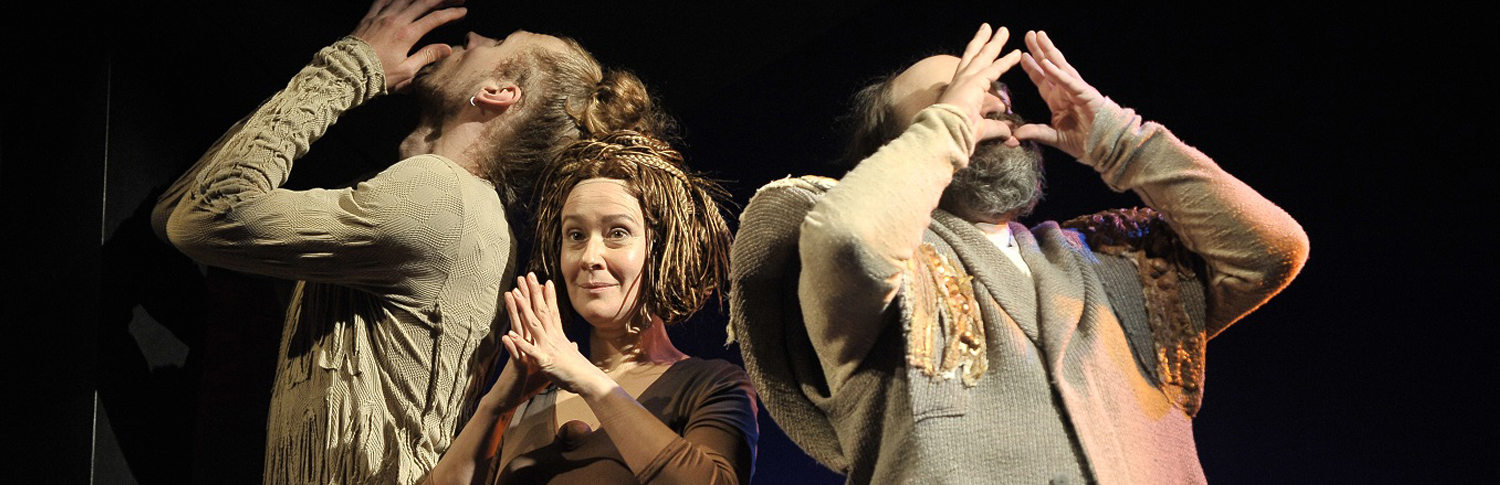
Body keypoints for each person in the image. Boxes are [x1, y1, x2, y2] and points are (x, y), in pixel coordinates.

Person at [729, 25, 1310, 484]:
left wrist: (1120, 142)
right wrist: (949, 128)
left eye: (997, 94)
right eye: (951, 99)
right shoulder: (872, 262)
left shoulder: (1113, 258)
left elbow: (1270, 251)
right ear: (898, 150)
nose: (990, 102)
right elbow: (852, 237)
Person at [150, 0, 662, 482]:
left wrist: (350, 67)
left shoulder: (440, 199)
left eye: (498, 42)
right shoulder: (460, 210)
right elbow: (181, 213)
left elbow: (203, 217)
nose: (474, 37)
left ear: (497, 92)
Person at [424, 131, 759, 485]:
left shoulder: (711, 385)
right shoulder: (524, 408)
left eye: (617, 233)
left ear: (661, 249)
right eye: (576, 235)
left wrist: (588, 380)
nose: (589, 257)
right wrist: (496, 406)